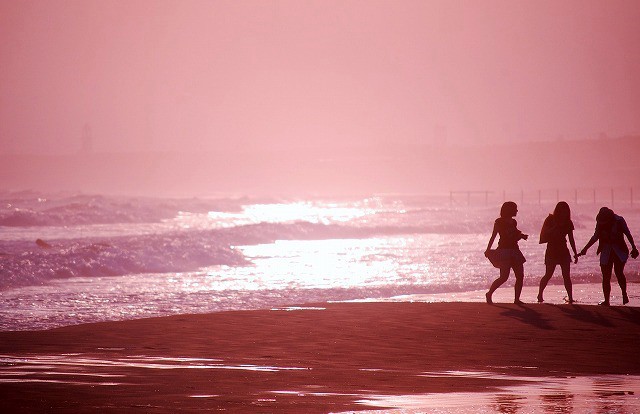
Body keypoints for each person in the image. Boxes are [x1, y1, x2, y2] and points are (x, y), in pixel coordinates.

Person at [576, 207, 639, 306]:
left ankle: (624, 293)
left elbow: (627, 233)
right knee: (606, 276)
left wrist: (634, 247)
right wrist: (585, 249)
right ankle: (606, 300)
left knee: (619, 273)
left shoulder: (619, 220)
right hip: (606, 250)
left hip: (619, 250)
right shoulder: (600, 222)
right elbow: (595, 237)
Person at [485, 201, 529, 304]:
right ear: (509, 210)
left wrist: (521, 236)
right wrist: (488, 249)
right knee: (504, 277)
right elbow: (494, 236)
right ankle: (489, 293)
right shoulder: (499, 222)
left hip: (515, 250)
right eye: (515, 208)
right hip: (504, 251)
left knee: (520, 276)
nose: (517, 210)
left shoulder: (514, 222)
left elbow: (515, 234)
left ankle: (517, 299)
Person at [537, 201, 578, 303]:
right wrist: (555, 226)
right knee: (548, 274)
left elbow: (571, 239)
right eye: (562, 210)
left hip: (563, 250)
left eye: (566, 210)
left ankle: (570, 297)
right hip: (551, 249)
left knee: (566, 276)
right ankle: (540, 294)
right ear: (558, 211)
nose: (564, 212)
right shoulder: (550, 219)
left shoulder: (568, 222)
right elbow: (544, 234)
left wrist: (575, 253)